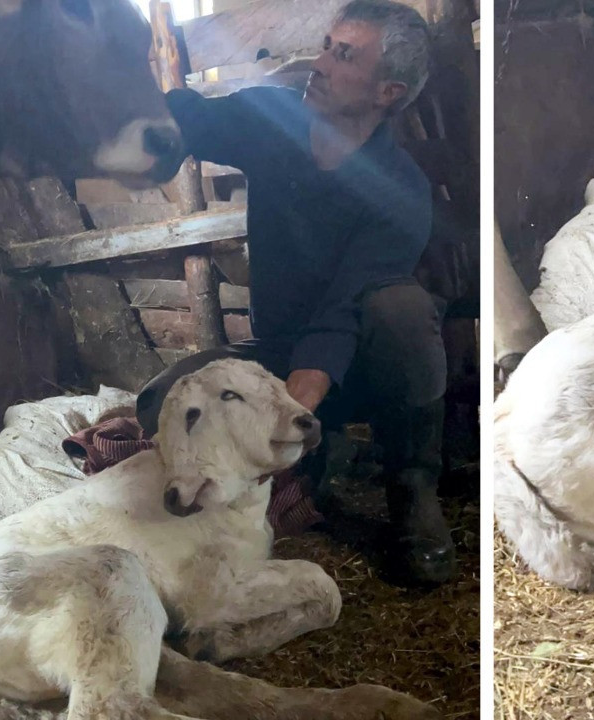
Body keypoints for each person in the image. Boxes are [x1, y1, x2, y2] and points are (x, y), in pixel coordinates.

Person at [134, 0, 455, 586]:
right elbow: (192, 119)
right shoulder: (274, 118)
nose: (319, 62)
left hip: (361, 362)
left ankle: (412, 488)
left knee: (401, 308)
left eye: (344, 55)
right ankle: (320, 455)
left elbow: (341, 315)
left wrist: (285, 416)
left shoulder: (400, 189)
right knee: (160, 405)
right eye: (328, 44)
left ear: (389, 91)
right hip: (276, 353)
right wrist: (133, 99)